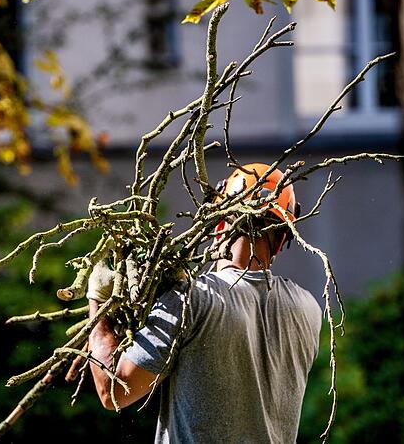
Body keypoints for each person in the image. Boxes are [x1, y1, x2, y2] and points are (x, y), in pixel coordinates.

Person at [85, 163, 323, 443]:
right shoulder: (308, 310)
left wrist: (98, 304)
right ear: (283, 239)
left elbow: (113, 390)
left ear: (219, 224)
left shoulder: (194, 298)